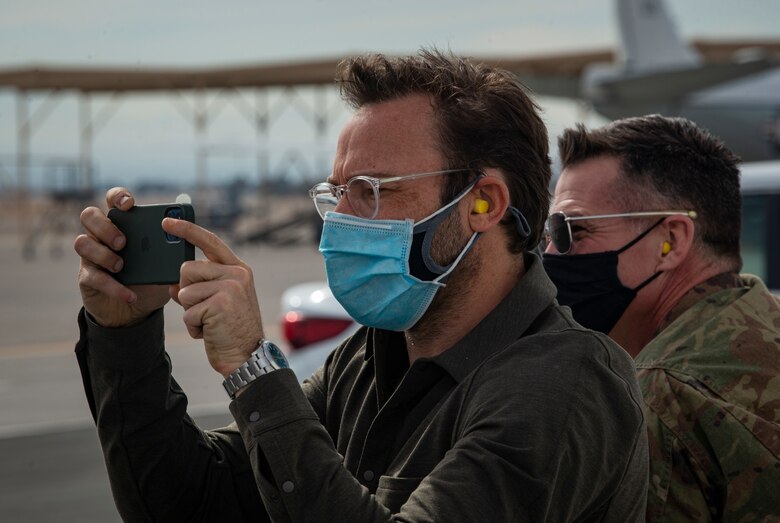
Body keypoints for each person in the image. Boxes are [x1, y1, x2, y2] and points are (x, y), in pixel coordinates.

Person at [74, 50, 649, 522]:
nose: (342, 217)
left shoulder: (564, 381)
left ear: (484, 203)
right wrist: (123, 333)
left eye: (373, 189)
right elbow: (188, 504)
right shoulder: (372, 355)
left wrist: (253, 366)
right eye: (336, 192)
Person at [542, 114, 780, 522]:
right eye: (548, 234)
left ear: (670, 241)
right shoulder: (760, 314)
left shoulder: (661, 396)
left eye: (571, 232)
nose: (549, 254)